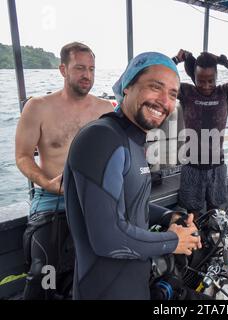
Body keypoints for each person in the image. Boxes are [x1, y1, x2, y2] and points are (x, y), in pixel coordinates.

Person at [63, 52, 202, 300]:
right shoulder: (101, 138)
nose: (164, 101)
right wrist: (173, 241)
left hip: (134, 285)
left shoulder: (132, 141)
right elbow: (108, 238)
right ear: (127, 87)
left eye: (173, 94)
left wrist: (171, 216)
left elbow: (130, 203)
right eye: (155, 87)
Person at [15, 42, 114, 299]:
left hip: (94, 198)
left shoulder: (106, 110)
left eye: (91, 69)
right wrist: (47, 183)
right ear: (63, 69)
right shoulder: (38, 107)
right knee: (42, 272)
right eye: (80, 68)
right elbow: (23, 157)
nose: (87, 75)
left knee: (105, 267)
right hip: (52, 198)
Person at [173, 49, 228, 217]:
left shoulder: (225, 92)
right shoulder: (186, 92)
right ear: (193, 77)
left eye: (211, 80)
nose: (206, 86)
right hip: (192, 166)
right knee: (192, 216)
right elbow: (159, 80)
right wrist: (175, 59)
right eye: (201, 81)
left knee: (216, 214)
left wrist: (223, 61)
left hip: (217, 166)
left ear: (217, 77)